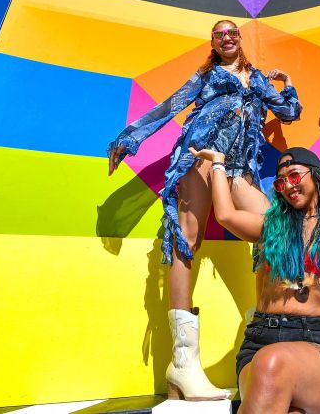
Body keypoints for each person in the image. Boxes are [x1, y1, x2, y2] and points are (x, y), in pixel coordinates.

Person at [108, 20, 301, 400]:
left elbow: (290, 112)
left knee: (272, 229)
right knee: (186, 239)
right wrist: (129, 139)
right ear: (213, 41)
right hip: (199, 156)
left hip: (238, 166)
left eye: (233, 33)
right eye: (219, 34)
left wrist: (288, 81)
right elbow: (171, 105)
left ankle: (260, 345)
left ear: (240, 40)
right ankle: (184, 365)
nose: (227, 38)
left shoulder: (256, 78)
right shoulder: (206, 75)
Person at [192, 145, 320, 414]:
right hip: (261, 341)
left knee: (273, 363)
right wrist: (219, 163)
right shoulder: (271, 228)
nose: (288, 186)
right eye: (281, 183)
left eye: (294, 176)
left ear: (315, 174)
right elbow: (225, 215)